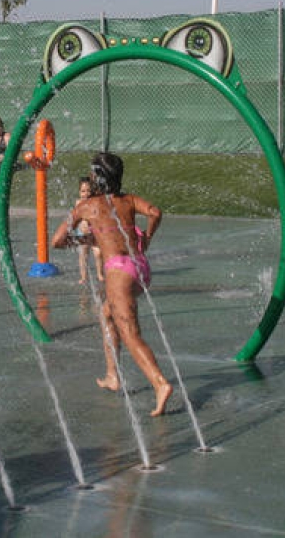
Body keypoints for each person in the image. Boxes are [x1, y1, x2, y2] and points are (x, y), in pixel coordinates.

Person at [51, 152, 172, 417]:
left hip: (119, 273)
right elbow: (155, 212)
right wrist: (147, 237)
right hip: (140, 267)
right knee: (107, 314)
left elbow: (57, 241)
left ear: (97, 178)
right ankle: (112, 375)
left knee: (130, 333)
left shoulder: (88, 206)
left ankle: (160, 384)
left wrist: (84, 241)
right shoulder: (128, 200)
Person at [72, 177, 104, 285]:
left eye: (88, 191)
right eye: (83, 191)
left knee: (98, 253)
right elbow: (75, 217)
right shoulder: (78, 203)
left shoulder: (95, 201)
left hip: (94, 232)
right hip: (82, 233)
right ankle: (83, 276)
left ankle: (100, 274)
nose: (86, 194)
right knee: (83, 254)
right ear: (79, 192)